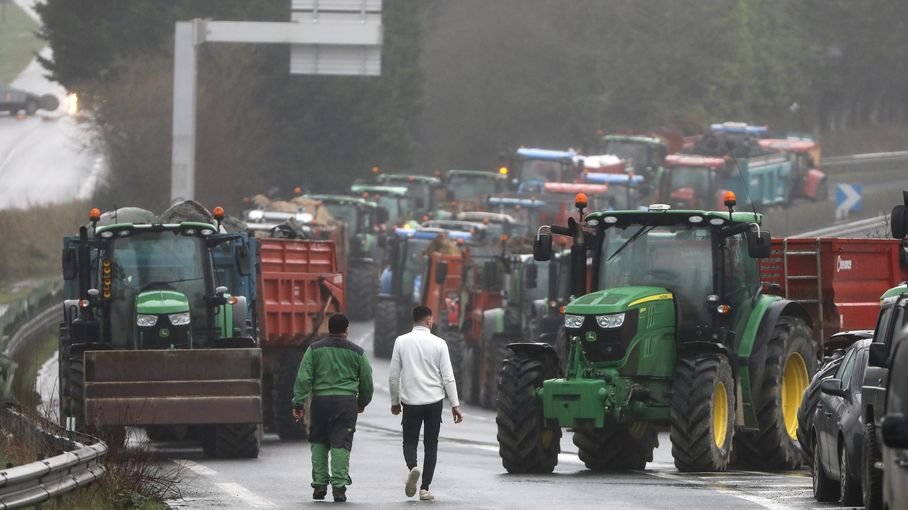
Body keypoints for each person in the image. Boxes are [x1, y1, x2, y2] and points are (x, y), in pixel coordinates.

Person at [293, 314, 373, 503]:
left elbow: (304, 378)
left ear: (328, 329)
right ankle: (339, 487)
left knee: (319, 441)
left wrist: (298, 403)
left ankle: (320, 484)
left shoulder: (314, 350)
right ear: (347, 329)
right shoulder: (358, 352)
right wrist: (361, 402)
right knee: (341, 443)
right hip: (346, 404)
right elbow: (367, 382)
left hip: (321, 403)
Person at [389, 306, 464, 501]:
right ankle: (425, 489)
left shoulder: (401, 341)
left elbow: (393, 377)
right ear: (429, 321)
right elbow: (448, 378)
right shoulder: (440, 343)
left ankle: (413, 467)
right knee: (431, 445)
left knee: (410, 441)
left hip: (411, 401)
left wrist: (395, 401)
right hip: (434, 401)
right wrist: (455, 404)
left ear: (413, 320)